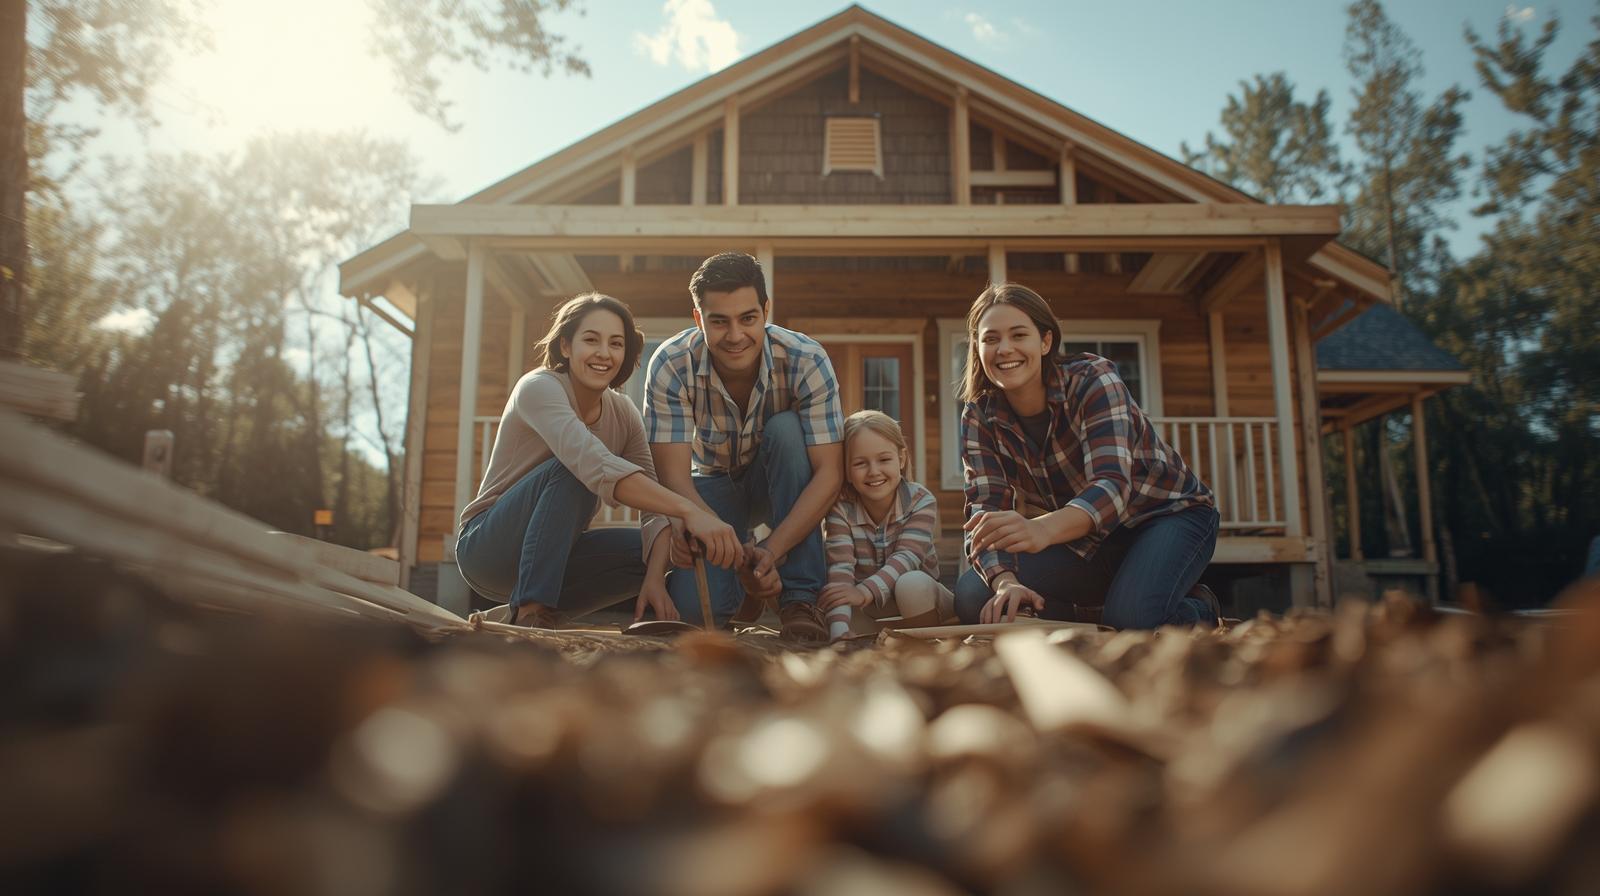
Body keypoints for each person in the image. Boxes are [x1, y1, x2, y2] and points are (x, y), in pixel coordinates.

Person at [455, 293, 740, 628]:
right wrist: (690, 510)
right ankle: (533, 612)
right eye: (591, 340)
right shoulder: (538, 388)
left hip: (558, 553)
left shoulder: (624, 414)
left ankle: (522, 613)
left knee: (653, 551)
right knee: (573, 468)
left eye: (616, 344)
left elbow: (654, 509)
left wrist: (653, 576)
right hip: (488, 549)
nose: (604, 353)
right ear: (565, 346)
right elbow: (591, 462)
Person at [954, 283, 1222, 629]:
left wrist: (1041, 530)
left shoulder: (1093, 378)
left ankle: (1196, 609)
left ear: (1045, 341)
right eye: (990, 339)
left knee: (1132, 621)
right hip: (1084, 540)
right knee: (975, 596)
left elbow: (1112, 486)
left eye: (1018, 335)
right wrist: (1006, 580)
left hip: (1165, 517)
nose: (1004, 349)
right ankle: (1112, 607)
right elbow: (984, 509)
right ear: (977, 348)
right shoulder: (979, 415)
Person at [643, 252, 844, 643]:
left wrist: (771, 550)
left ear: (766, 311)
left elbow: (829, 474)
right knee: (695, 613)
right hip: (712, 487)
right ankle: (747, 595)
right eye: (719, 321)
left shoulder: (807, 359)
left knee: (787, 430)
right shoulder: (670, 363)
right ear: (699, 319)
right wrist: (712, 532)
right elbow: (673, 476)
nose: (735, 336)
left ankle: (798, 600)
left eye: (748, 319)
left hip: (780, 481)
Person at [821, 410, 954, 640]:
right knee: (834, 601)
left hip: (924, 601)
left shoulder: (921, 501)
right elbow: (840, 570)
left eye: (884, 460)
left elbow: (906, 558)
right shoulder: (840, 509)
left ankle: (926, 645)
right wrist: (838, 633)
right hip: (872, 607)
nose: (874, 472)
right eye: (860, 463)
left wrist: (863, 592)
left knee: (910, 585)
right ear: (847, 471)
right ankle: (855, 639)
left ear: (901, 459)